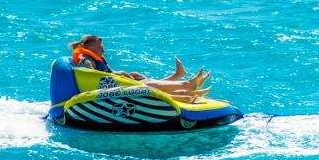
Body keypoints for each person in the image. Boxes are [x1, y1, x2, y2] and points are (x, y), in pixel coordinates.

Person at [68, 35, 211, 101]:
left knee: (136, 76)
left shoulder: (94, 57)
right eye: (101, 46)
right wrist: (118, 77)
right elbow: (91, 75)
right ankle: (187, 86)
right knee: (144, 86)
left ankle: (182, 88)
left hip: (110, 83)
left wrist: (120, 74)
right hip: (103, 88)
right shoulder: (86, 59)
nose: (103, 49)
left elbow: (105, 72)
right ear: (90, 46)